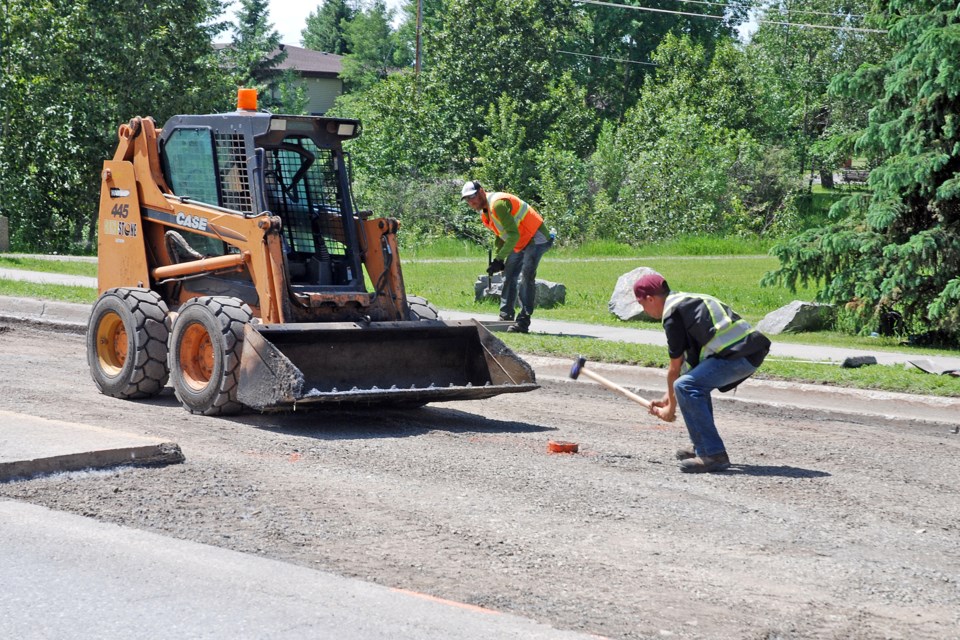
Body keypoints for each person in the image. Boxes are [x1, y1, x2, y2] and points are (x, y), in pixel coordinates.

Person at [633, 272, 771, 473]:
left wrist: (671, 410)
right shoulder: (686, 302)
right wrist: (667, 397)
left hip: (739, 356)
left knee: (686, 385)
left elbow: (674, 368)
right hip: (746, 351)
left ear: (650, 298)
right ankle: (702, 446)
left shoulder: (672, 314)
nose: (644, 310)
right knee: (691, 385)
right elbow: (690, 365)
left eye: (642, 305)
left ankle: (713, 454)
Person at [461, 180, 552, 333]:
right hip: (521, 240)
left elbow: (513, 234)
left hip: (537, 238)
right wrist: (500, 259)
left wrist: (499, 259)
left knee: (526, 276)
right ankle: (506, 317)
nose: (471, 201)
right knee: (508, 275)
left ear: (482, 191)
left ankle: (523, 322)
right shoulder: (485, 213)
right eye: (467, 199)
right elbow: (501, 235)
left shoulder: (497, 204)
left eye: (473, 196)